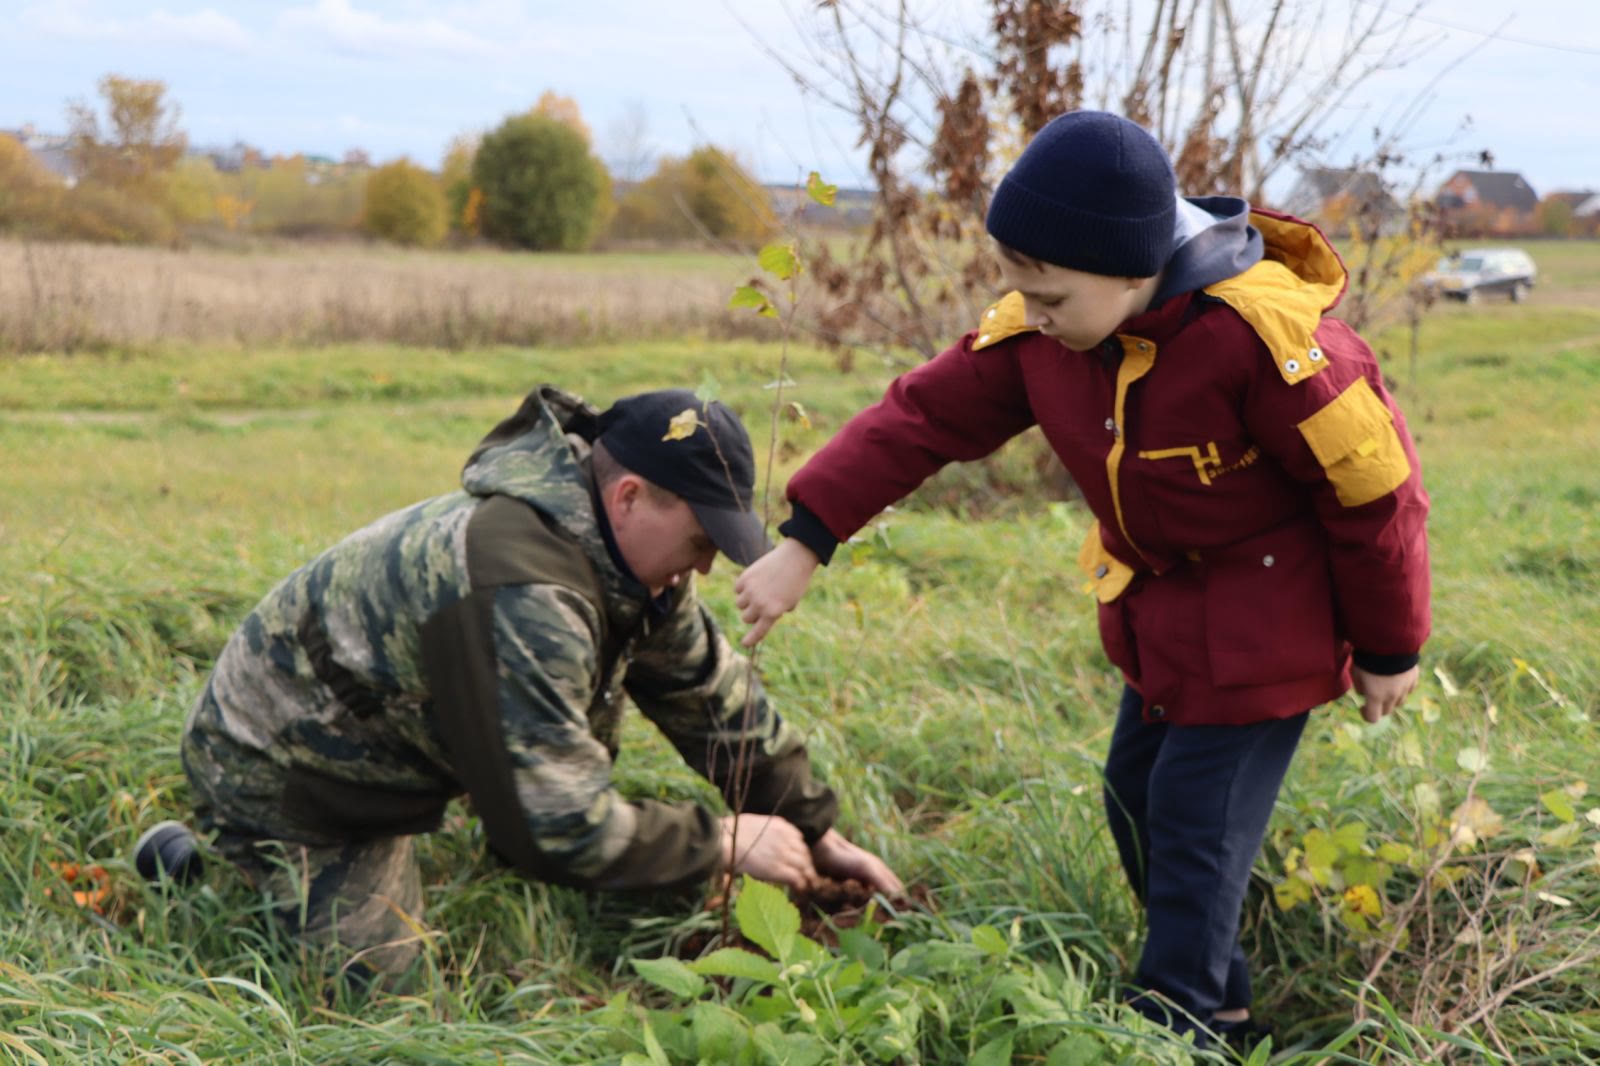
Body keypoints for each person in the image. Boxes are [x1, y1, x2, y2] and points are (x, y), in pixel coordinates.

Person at [733, 111, 1429, 1046]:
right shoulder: (1049, 330)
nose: (1032, 312)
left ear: (1135, 271)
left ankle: (1171, 1026)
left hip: (1271, 628)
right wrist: (806, 539)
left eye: (1051, 295)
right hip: (1161, 622)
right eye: (1022, 289)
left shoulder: (1268, 345)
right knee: (1134, 800)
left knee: (1192, 824)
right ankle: (1223, 996)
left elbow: (1376, 498)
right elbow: (921, 420)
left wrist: (1390, 644)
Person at [168, 384, 901, 978]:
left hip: (403, 737)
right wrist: (719, 842)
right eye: (700, 541)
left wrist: (813, 825)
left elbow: (709, 696)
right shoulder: (526, 593)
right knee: (393, 1013)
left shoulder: (625, 560)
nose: (705, 568)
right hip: (291, 775)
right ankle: (209, 861)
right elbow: (554, 827)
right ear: (630, 498)